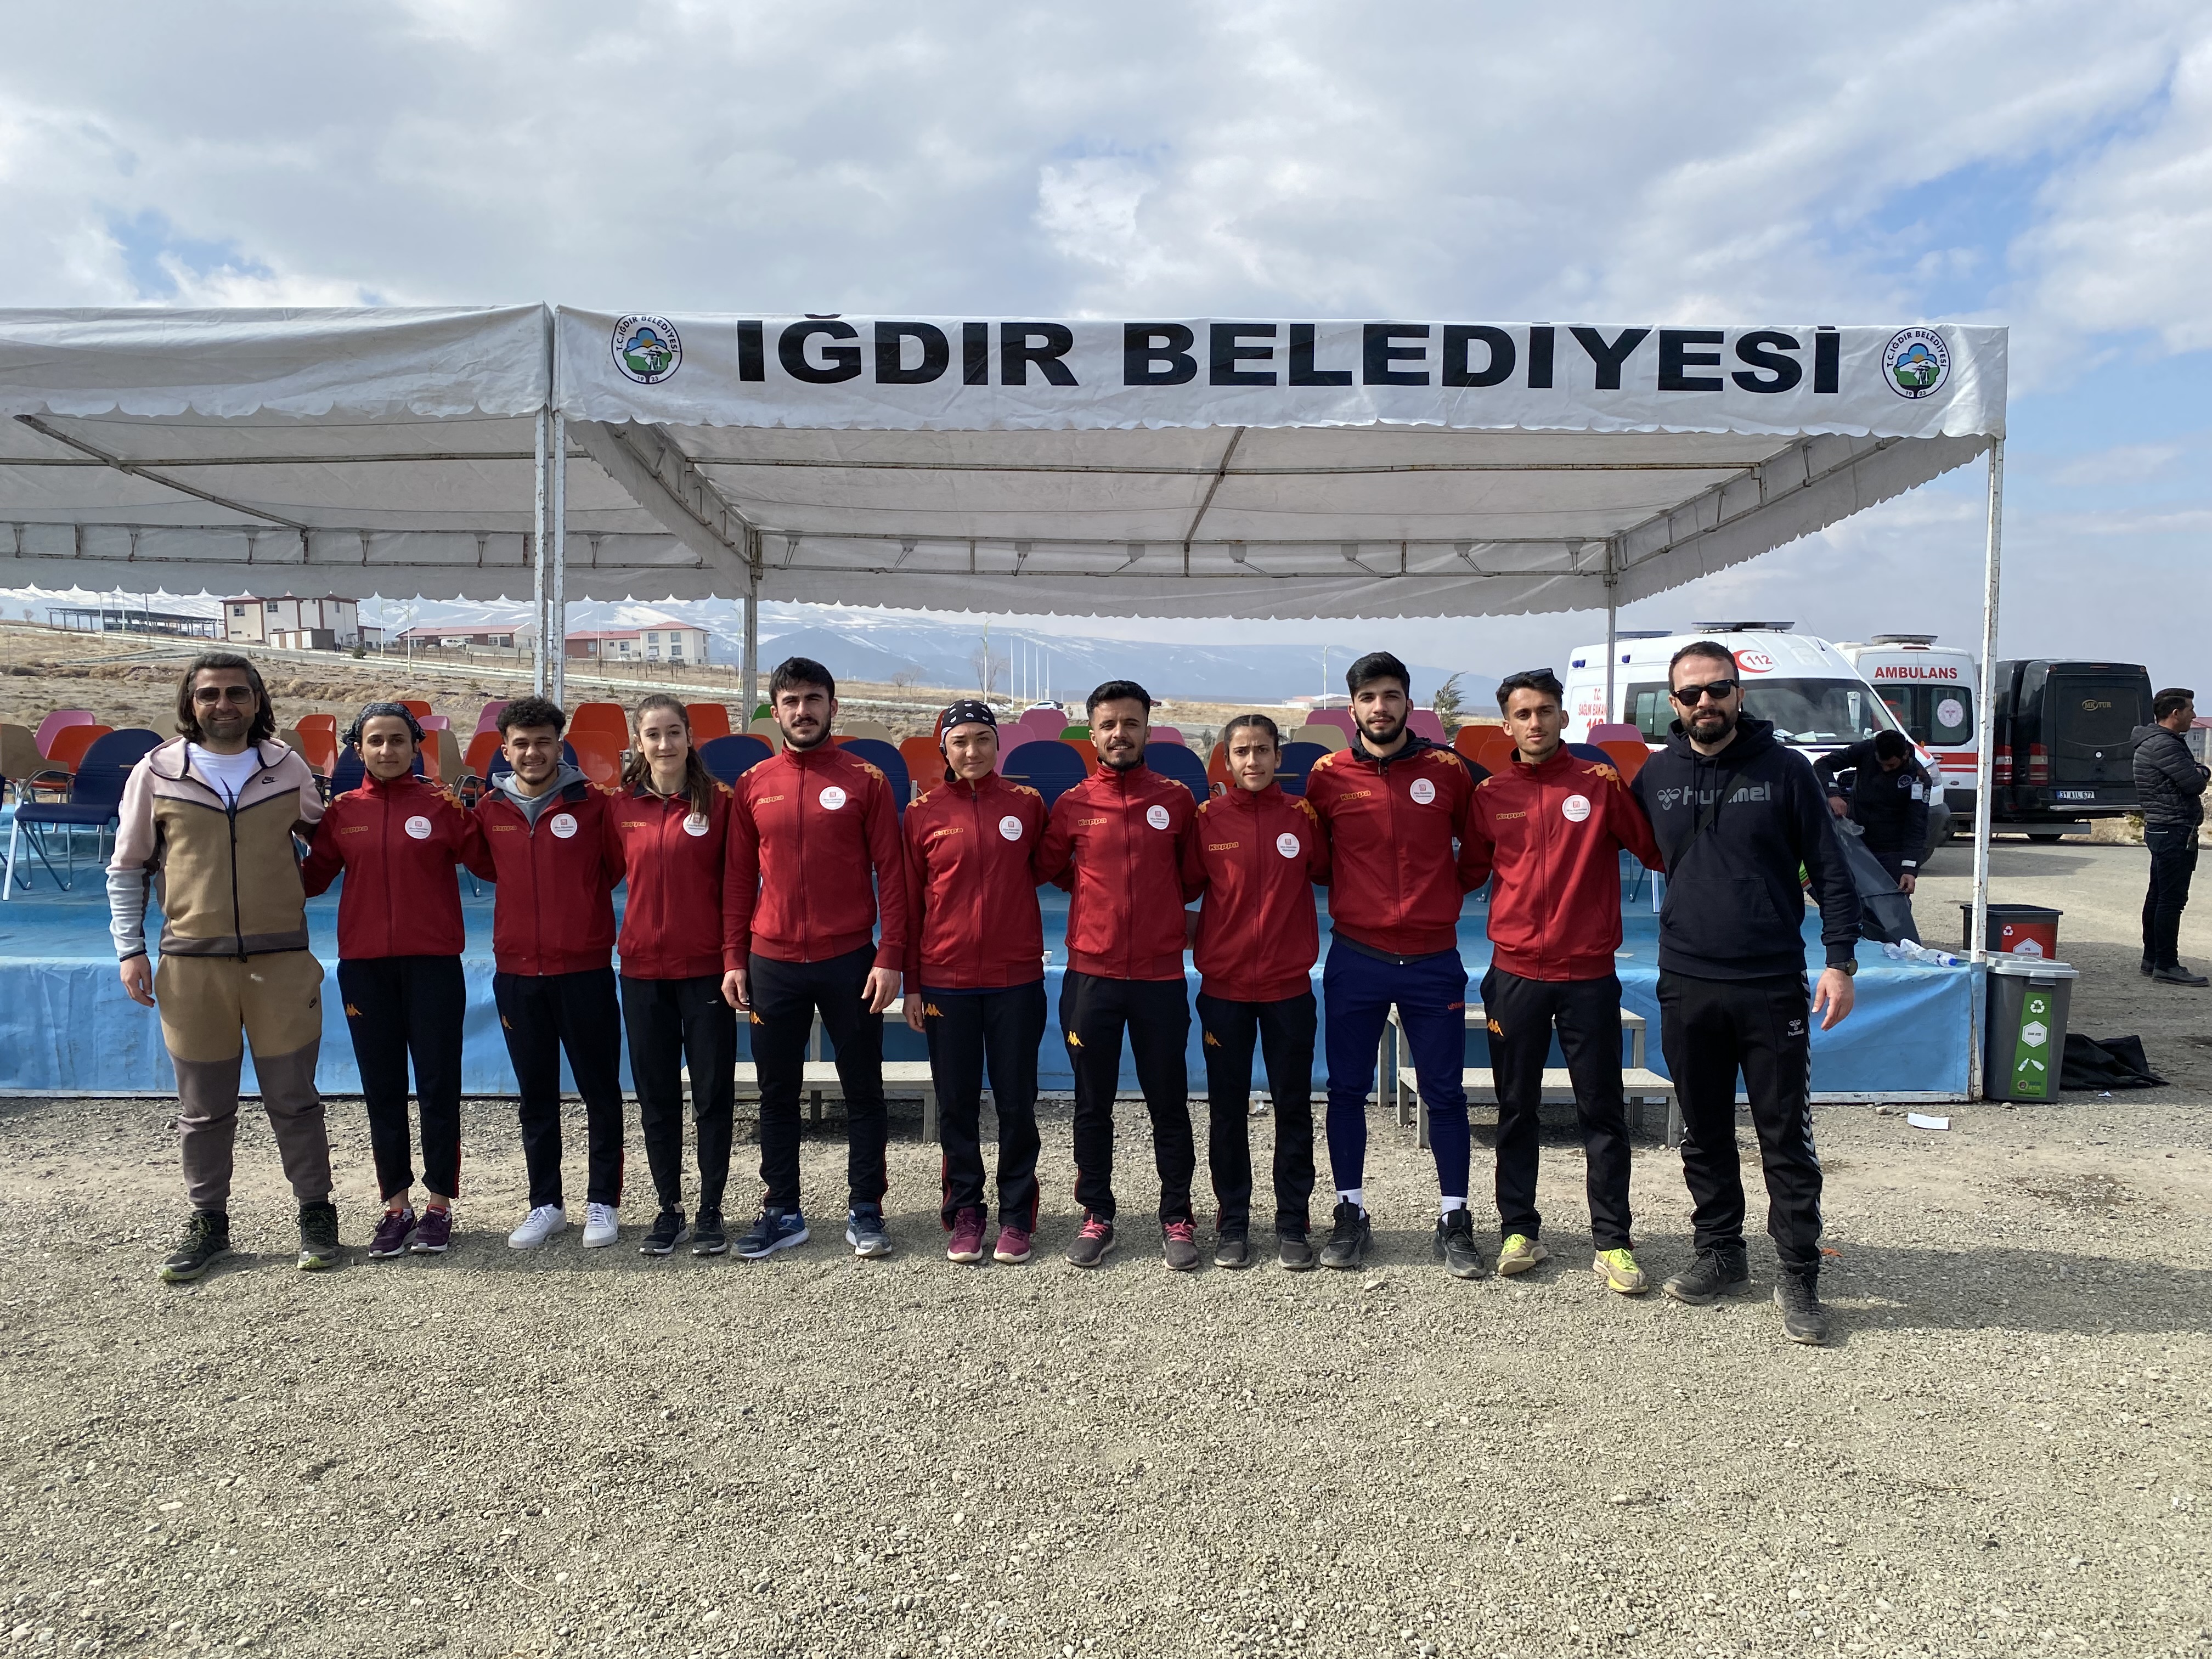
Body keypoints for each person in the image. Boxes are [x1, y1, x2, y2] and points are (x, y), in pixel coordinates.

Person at [1631, 641, 1861, 1346]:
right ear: (1673, 704)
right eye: (1691, 693)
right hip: (1686, 980)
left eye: (1718, 689)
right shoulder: (1655, 776)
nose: (1706, 702)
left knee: (1783, 1136)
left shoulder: (1786, 770)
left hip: (1770, 983)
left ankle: (1798, 1272)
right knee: (1702, 1131)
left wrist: (1841, 962)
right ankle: (1720, 1252)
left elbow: (1831, 868)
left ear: (1739, 694)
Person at [108, 651, 338, 1282]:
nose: (223, 704)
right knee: (203, 1108)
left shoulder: (286, 767)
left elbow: (328, 841)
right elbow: (128, 866)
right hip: (192, 965)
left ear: (258, 701)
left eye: (237, 693)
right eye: (209, 694)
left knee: (295, 1099)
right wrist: (130, 948)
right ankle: (208, 1220)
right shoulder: (158, 771)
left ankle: (316, 1213)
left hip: (281, 962)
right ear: (191, 702)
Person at [1459, 669, 1661, 1294]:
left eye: (1545, 711)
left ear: (1563, 718)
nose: (1535, 722)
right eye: (1523, 714)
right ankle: (1519, 1231)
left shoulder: (1598, 783)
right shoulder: (1491, 794)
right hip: (1515, 974)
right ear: (1507, 725)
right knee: (1515, 1108)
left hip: (1588, 976)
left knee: (1602, 1110)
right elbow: (1466, 870)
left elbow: (1653, 849)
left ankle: (1614, 1242)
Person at [1302, 652, 1489, 1278]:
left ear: (1409, 703)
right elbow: (1318, 858)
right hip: (1357, 956)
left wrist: (1446, 892)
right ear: (1352, 707)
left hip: (1433, 958)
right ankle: (1350, 1211)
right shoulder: (1327, 775)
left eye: (1390, 695)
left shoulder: (1448, 770)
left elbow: (1479, 844)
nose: (1379, 708)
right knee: (1346, 1090)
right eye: (1367, 697)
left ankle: (1455, 1217)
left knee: (1444, 1092)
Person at [721, 657, 909, 1261]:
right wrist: (733, 957)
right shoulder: (753, 783)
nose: (802, 711)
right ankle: (782, 1210)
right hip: (771, 962)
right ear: (774, 711)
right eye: (791, 701)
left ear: (833, 706)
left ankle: (866, 1209)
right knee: (777, 1093)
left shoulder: (866, 780)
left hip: (849, 960)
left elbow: (893, 874)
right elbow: (736, 879)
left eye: (813, 699)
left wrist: (890, 954)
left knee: (864, 1090)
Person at [1035, 679, 1204, 1270]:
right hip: (1092, 976)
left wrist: (1156, 913)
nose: (1119, 734)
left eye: (1130, 723)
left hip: (1159, 978)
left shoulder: (1177, 800)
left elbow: (1190, 878)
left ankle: (1177, 1216)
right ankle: (1097, 1214)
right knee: (1092, 1104)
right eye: (1108, 725)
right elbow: (1052, 866)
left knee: (1169, 1103)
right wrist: (1094, 898)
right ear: (1092, 733)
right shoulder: (1073, 803)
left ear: (1147, 728)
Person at [300, 702, 476, 1260]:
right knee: (382, 1089)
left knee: (439, 1085)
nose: (387, 750)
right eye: (375, 741)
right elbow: (310, 880)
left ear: (416, 745)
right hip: (365, 969)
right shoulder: (343, 811)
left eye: (398, 740)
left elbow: (491, 863)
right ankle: (395, 1208)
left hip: (434, 966)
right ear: (358, 749)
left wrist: (477, 810)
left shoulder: (440, 805)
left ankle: (439, 1206)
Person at [464, 696, 628, 1251]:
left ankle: (603, 1201)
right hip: (517, 974)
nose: (532, 752)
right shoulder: (489, 810)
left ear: (560, 745)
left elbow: (611, 868)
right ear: (505, 749)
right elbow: (486, 866)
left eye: (543, 742)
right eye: (521, 744)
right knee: (535, 1094)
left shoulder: (595, 806)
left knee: (600, 1090)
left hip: (583, 970)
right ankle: (546, 1204)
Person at [901, 700, 1050, 1266]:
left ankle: (1016, 1214)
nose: (973, 751)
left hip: (1016, 980)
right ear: (944, 748)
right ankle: (966, 1211)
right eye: (960, 741)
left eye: (983, 739)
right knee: (958, 1105)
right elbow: (910, 905)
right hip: (947, 981)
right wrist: (914, 984)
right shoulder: (922, 813)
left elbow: (1045, 869)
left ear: (997, 744)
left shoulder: (1027, 805)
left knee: (1017, 1102)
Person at [1180, 713, 1330, 1270]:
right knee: (1227, 1111)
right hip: (1225, 990)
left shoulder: (1301, 816)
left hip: (1288, 988)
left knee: (1294, 1107)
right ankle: (1234, 1222)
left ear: (1278, 757)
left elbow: (1325, 871)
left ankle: (1293, 1221)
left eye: (1262, 750)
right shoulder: (1207, 820)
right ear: (1226, 759)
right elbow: (1184, 888)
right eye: (1241, 752)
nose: (1252, 761)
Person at [607, 695, 739, 1257]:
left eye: (673, 733)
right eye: (653, 735)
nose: (664, 744)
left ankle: (710, 1209)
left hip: (706, 971)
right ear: (638, 743)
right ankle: (670, 1209)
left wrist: (734, 958)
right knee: (656, 1096)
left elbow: (738, 888)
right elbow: (602, 874)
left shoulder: (721, 803)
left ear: (689, 737)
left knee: (712, 1095)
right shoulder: (621, 807)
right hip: (642, 972)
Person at [2134, 688, 2208, 987]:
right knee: (2171, 900)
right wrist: (2202, 771)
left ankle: (2152, 959)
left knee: (2159, 895)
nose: (2194, 715)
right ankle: (2166, 964)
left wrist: (2198, 771)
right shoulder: (2164, 745)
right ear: (2175, 713)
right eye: (2190, 709)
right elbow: (2194, 783)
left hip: (2164, 827)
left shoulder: (2159, 742)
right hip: (2173, 828)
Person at [1813, 729, 1932, 893]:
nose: (1885, 769)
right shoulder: (1867, 749)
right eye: (1881, 764)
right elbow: (1822, 765)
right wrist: (1833, 794)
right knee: (1850, 898)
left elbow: (1916, 826)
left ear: (1905, 755)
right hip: (1856, 844)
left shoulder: (1918, 779)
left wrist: (1910, 870)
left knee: (1890, 903)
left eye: (1891, 765)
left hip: (1892, 852)